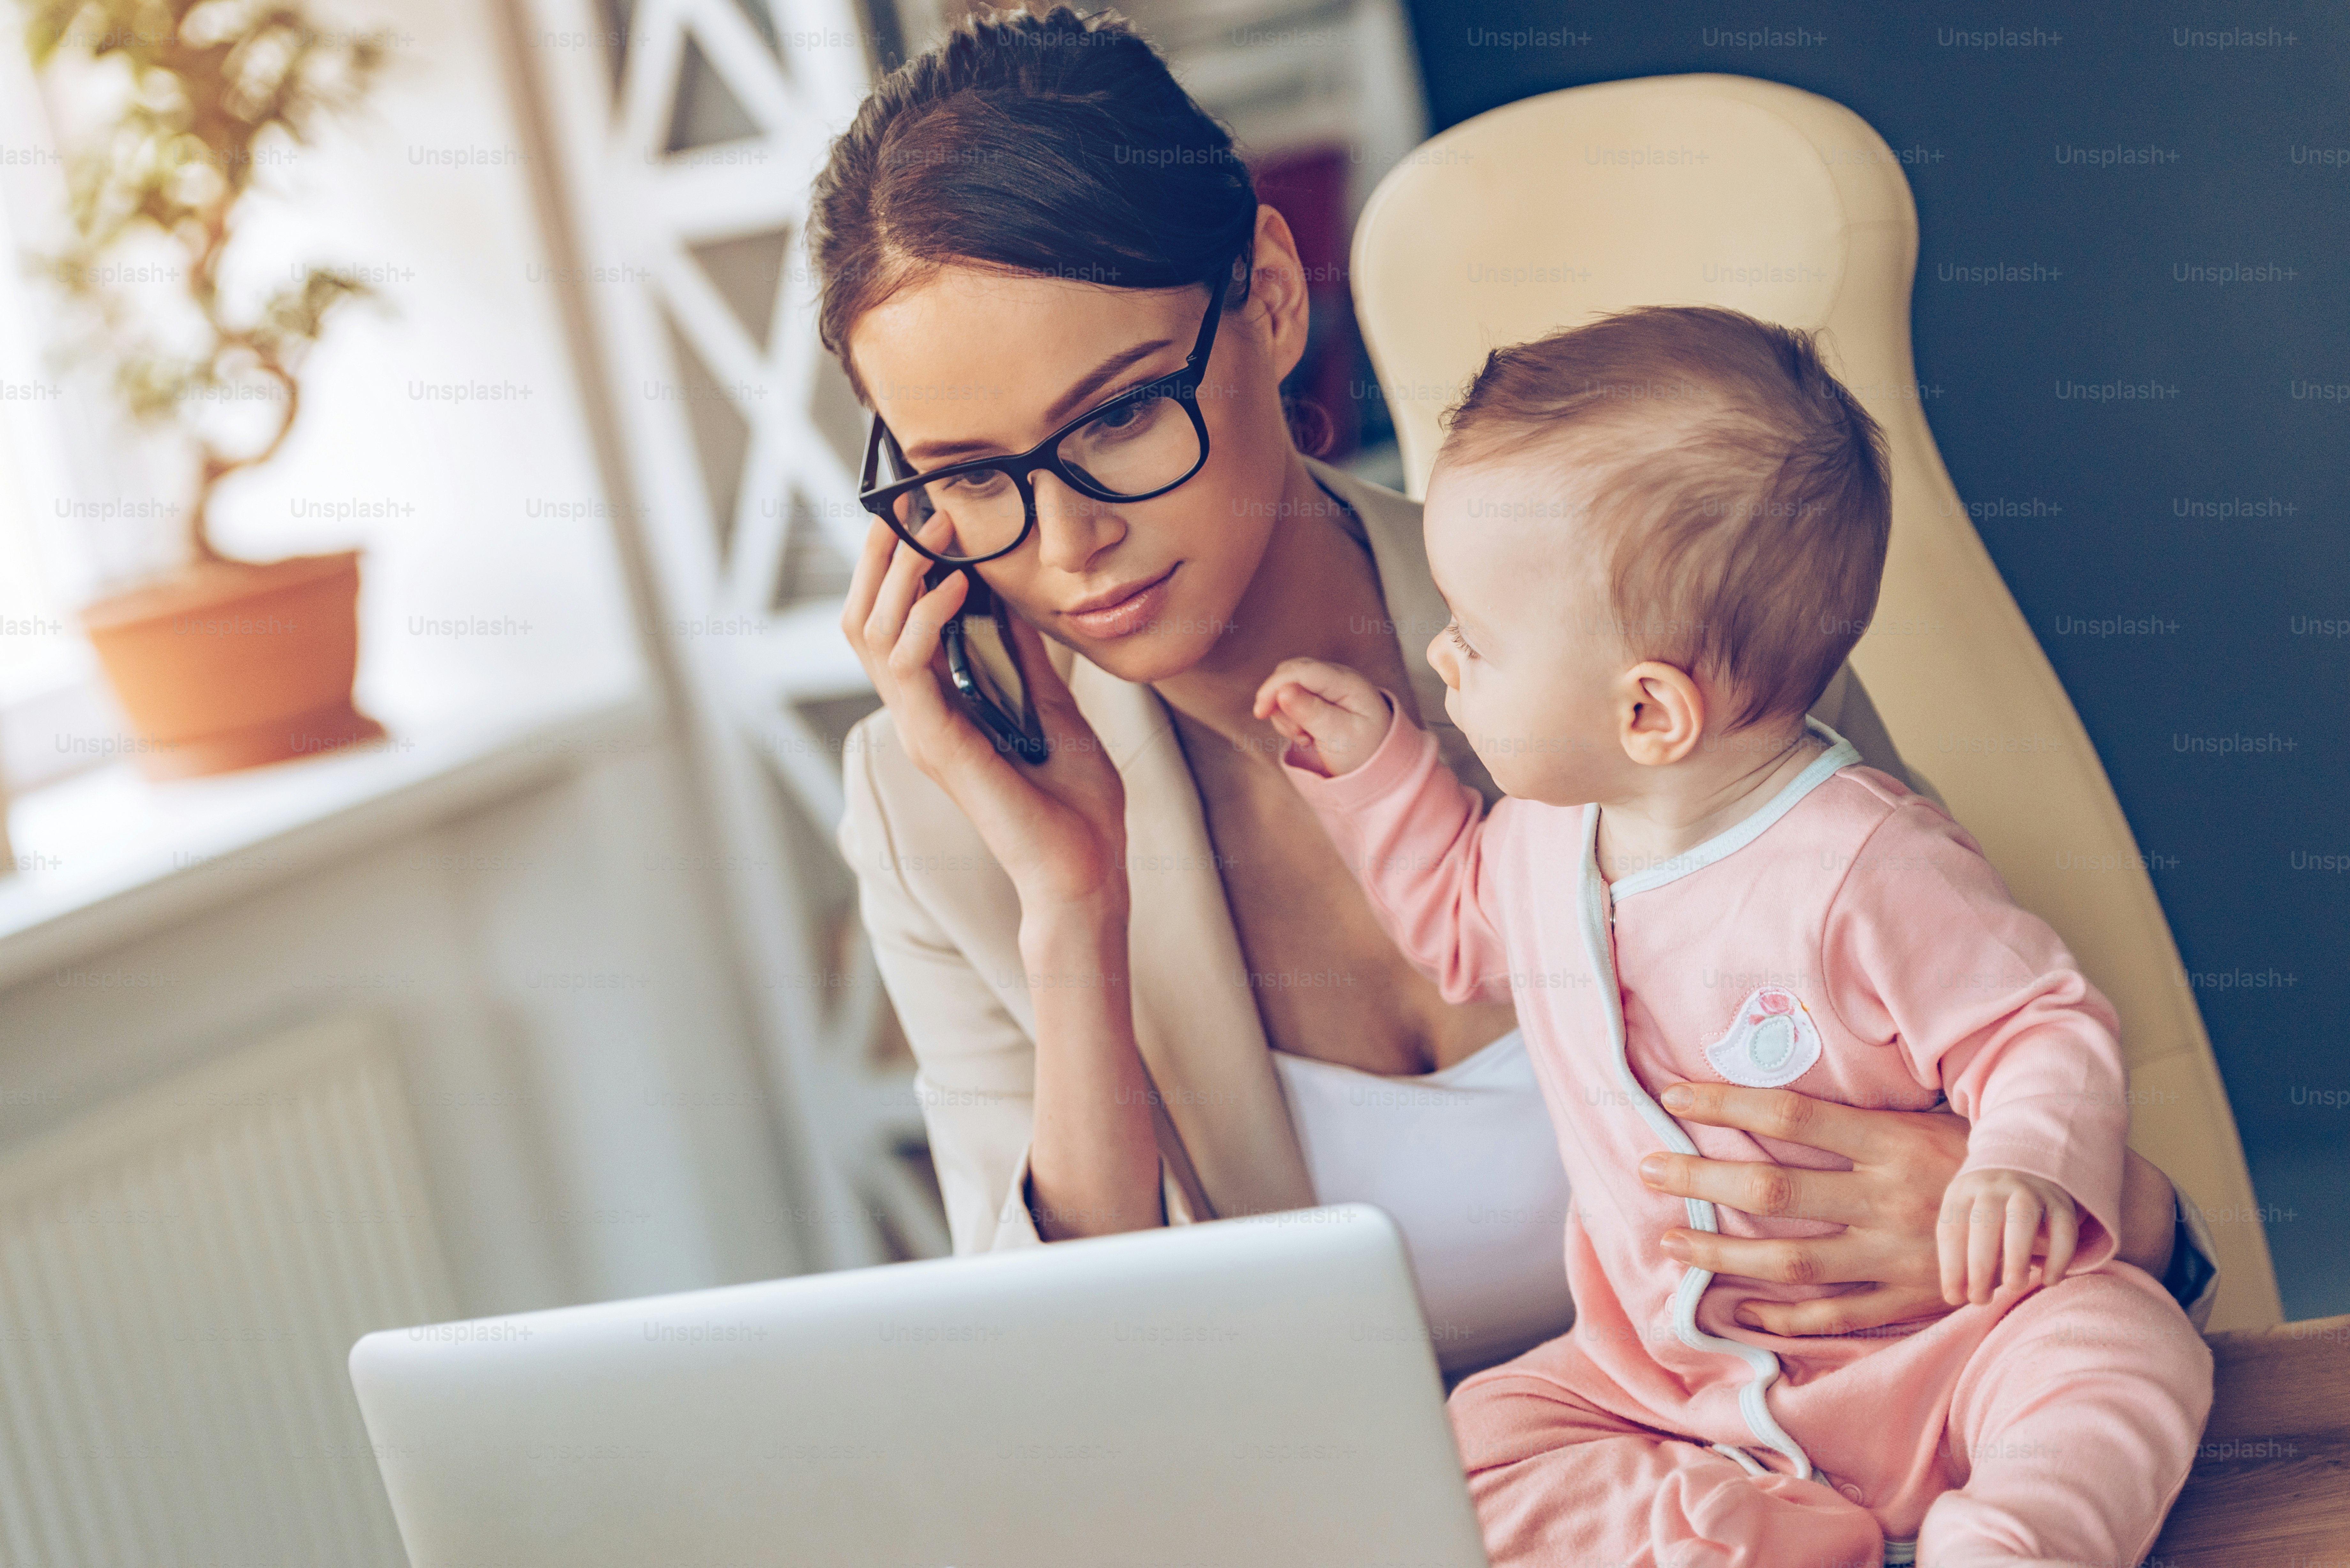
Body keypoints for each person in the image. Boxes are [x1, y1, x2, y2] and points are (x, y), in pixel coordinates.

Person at [817, 2, 2213, 1383]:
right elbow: (1067, 1414)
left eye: (1120, 415)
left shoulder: (1655, 612)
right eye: (970, 477)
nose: (1064, 548)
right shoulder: (935, 809)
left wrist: (2036, 1208)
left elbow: (2072, 1155)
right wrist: (1075, 911)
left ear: (1272, 297)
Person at [1255, 305, 2213, 1565]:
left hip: (1935, 1348)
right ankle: (1743, 1532)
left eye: (1474, 638)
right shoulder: (1543, 842)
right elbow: (1453, 927)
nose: (1440, 657)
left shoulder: (1863, 860)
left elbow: (2038, 1020)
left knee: (2115, 1353)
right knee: (1460, 1452)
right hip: (1671, 1387)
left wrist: (2019, 1162)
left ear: (1646, 709)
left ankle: (2014, 1536)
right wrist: (1376, 773)